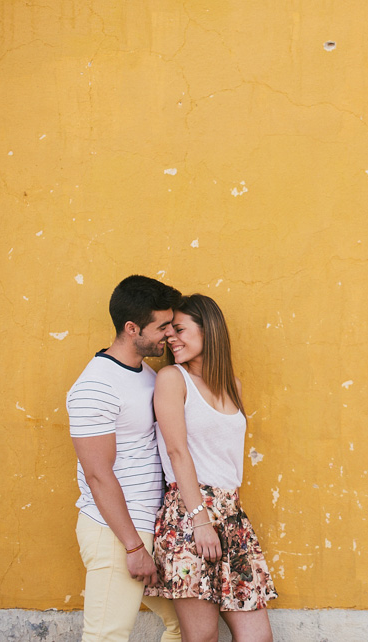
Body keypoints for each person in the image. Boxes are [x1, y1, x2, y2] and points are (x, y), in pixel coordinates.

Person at [145, 294, 277, 642]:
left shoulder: (234, 386)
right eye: (168, 331)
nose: (171, 337)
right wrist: (200, 520)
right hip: (190, 514)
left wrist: (227, 519)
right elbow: (177, 451)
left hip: (232, 516)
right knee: (202, 638)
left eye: (180, 329)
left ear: (210, 331)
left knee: (257, 637)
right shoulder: (173, 379)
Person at [67, 275, 183, 641]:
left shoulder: (145, 374)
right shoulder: (95, 386)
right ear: (132, 328)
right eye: (162, 326)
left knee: (186, 624)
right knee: (106, 636)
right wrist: (133, 546)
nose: (169, 333)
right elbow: (99, 476)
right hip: (116, 532)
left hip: (147, 526)